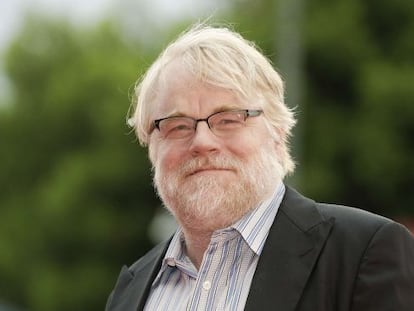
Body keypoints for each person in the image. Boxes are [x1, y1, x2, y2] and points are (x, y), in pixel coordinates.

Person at [105, 23, 414, 311]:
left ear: (278, 134)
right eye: (177, 126)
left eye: (228, 119)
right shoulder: (131, 289)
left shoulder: (363, 253)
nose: (202, 141)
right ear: (152, 148)